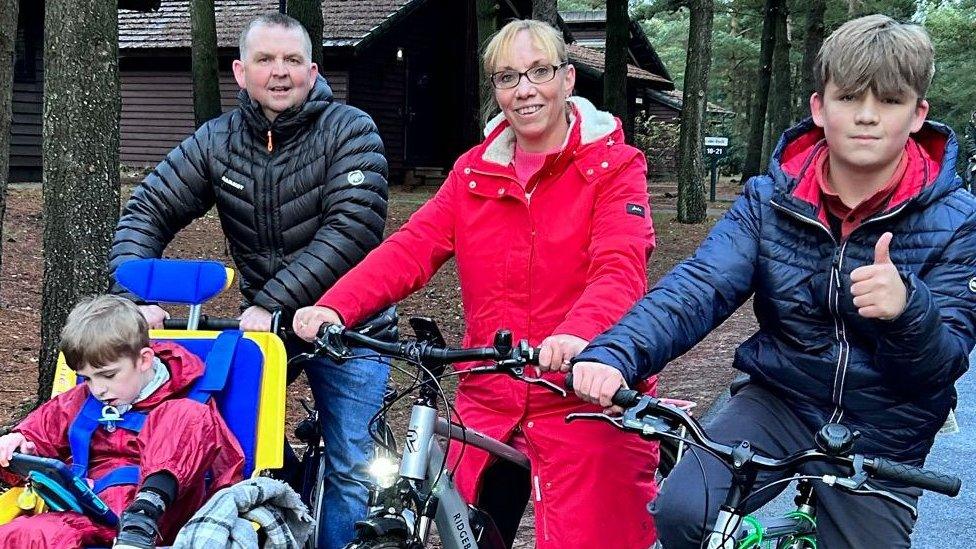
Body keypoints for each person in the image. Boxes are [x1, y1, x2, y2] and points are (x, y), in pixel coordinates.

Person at [571, 14, 976, 548]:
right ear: (819, 106)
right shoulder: (771, 199)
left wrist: (908, 311)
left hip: (886, 422)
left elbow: (941, 365)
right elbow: (700, 286)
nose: (867, 117)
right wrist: (615, 352)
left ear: (918, 114)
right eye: (850, 97)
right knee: (683, 511)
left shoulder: (958, 218)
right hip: (779, 397)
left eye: (891, 101)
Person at [293, 19, 659, 549]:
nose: (525, 89)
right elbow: (412, 248)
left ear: (568, 79)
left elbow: (620, 266)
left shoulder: (614, 166)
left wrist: (579, 335)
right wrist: (335, 308)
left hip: (583, 390)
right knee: (467, 533)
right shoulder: (474, 172)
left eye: (540, 71)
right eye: (508, 77)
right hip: (491, 392)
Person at [107, 13, 394, 549]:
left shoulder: (351, 130)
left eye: (291, 61)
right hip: (265, 328)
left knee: (353, 461)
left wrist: (272, 302)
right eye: (265, 60)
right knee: (227, 440)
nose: (279, 73)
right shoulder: (217, 142)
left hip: (349, 324)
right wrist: (130, 298)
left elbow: (351, 229)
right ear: (240, 72)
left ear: (312, 70)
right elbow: (147, 210)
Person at [0, 295, 244, 549]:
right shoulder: (79, 401)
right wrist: (19, 445)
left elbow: (225, 469)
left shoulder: (190, 400)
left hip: (163, 518)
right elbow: (37, 434)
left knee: (185, 414)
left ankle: (143, 514)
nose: (99, 389)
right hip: (90, 515)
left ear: (144, 360)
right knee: (26, 534)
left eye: (108, 375)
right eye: (87, 378)